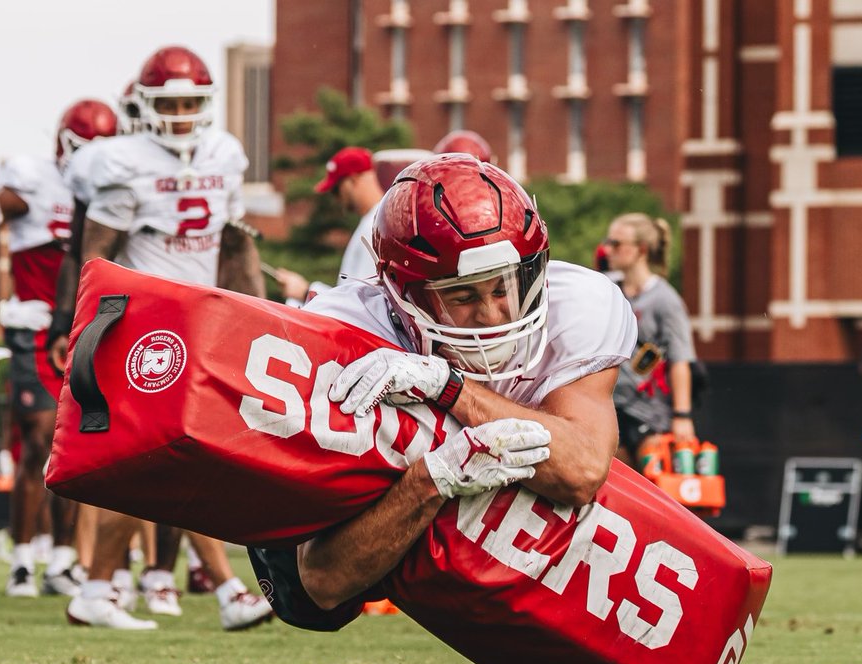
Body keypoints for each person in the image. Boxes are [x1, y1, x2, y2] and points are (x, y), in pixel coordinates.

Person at [249, 154, 635, 622]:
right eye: (463, 295)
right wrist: (434, 476)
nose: (494, 316)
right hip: (373, 522)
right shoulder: (347, 328)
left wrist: (449, 388)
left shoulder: (580, 305)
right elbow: (322, 586)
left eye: (505, 288)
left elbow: (584, 471)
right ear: (402, 292)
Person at [53, 45, 271, 631]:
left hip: (201, 323)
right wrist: (84, 333)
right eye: (168, 102)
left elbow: (233, 244)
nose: (178, 114)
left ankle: (102, 589)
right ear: (146, 106)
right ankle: (222, 589)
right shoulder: (122, 162)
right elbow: (94, 257)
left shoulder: (224, 154)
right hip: (144, 329)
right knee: (170, 460)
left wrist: (256, 314)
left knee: (169, 465)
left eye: (188, 103)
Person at [0, 98, 116, 598]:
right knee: (39, 440)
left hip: (86, 328)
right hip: (34, 324)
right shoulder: (32, 178)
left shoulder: (113, 187)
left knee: (78, 450)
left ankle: (64, 559)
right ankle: (22, 558)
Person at [603, 213, 697, 467]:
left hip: (650, 414)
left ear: (641, 250)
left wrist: (682, 416)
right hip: (608, 408)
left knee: (653, 489)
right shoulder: (606, 288)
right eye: (608, 242)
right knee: (615, 494)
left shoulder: (665, 300)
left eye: (616, 244)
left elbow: (680, 359)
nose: (607, 249)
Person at [274, 146, 385, 302]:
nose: (336, 198)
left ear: (352, 180)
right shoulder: (374, 221)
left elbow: (363, 304)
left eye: (336, 189)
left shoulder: (374, 227)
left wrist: (306, 291)